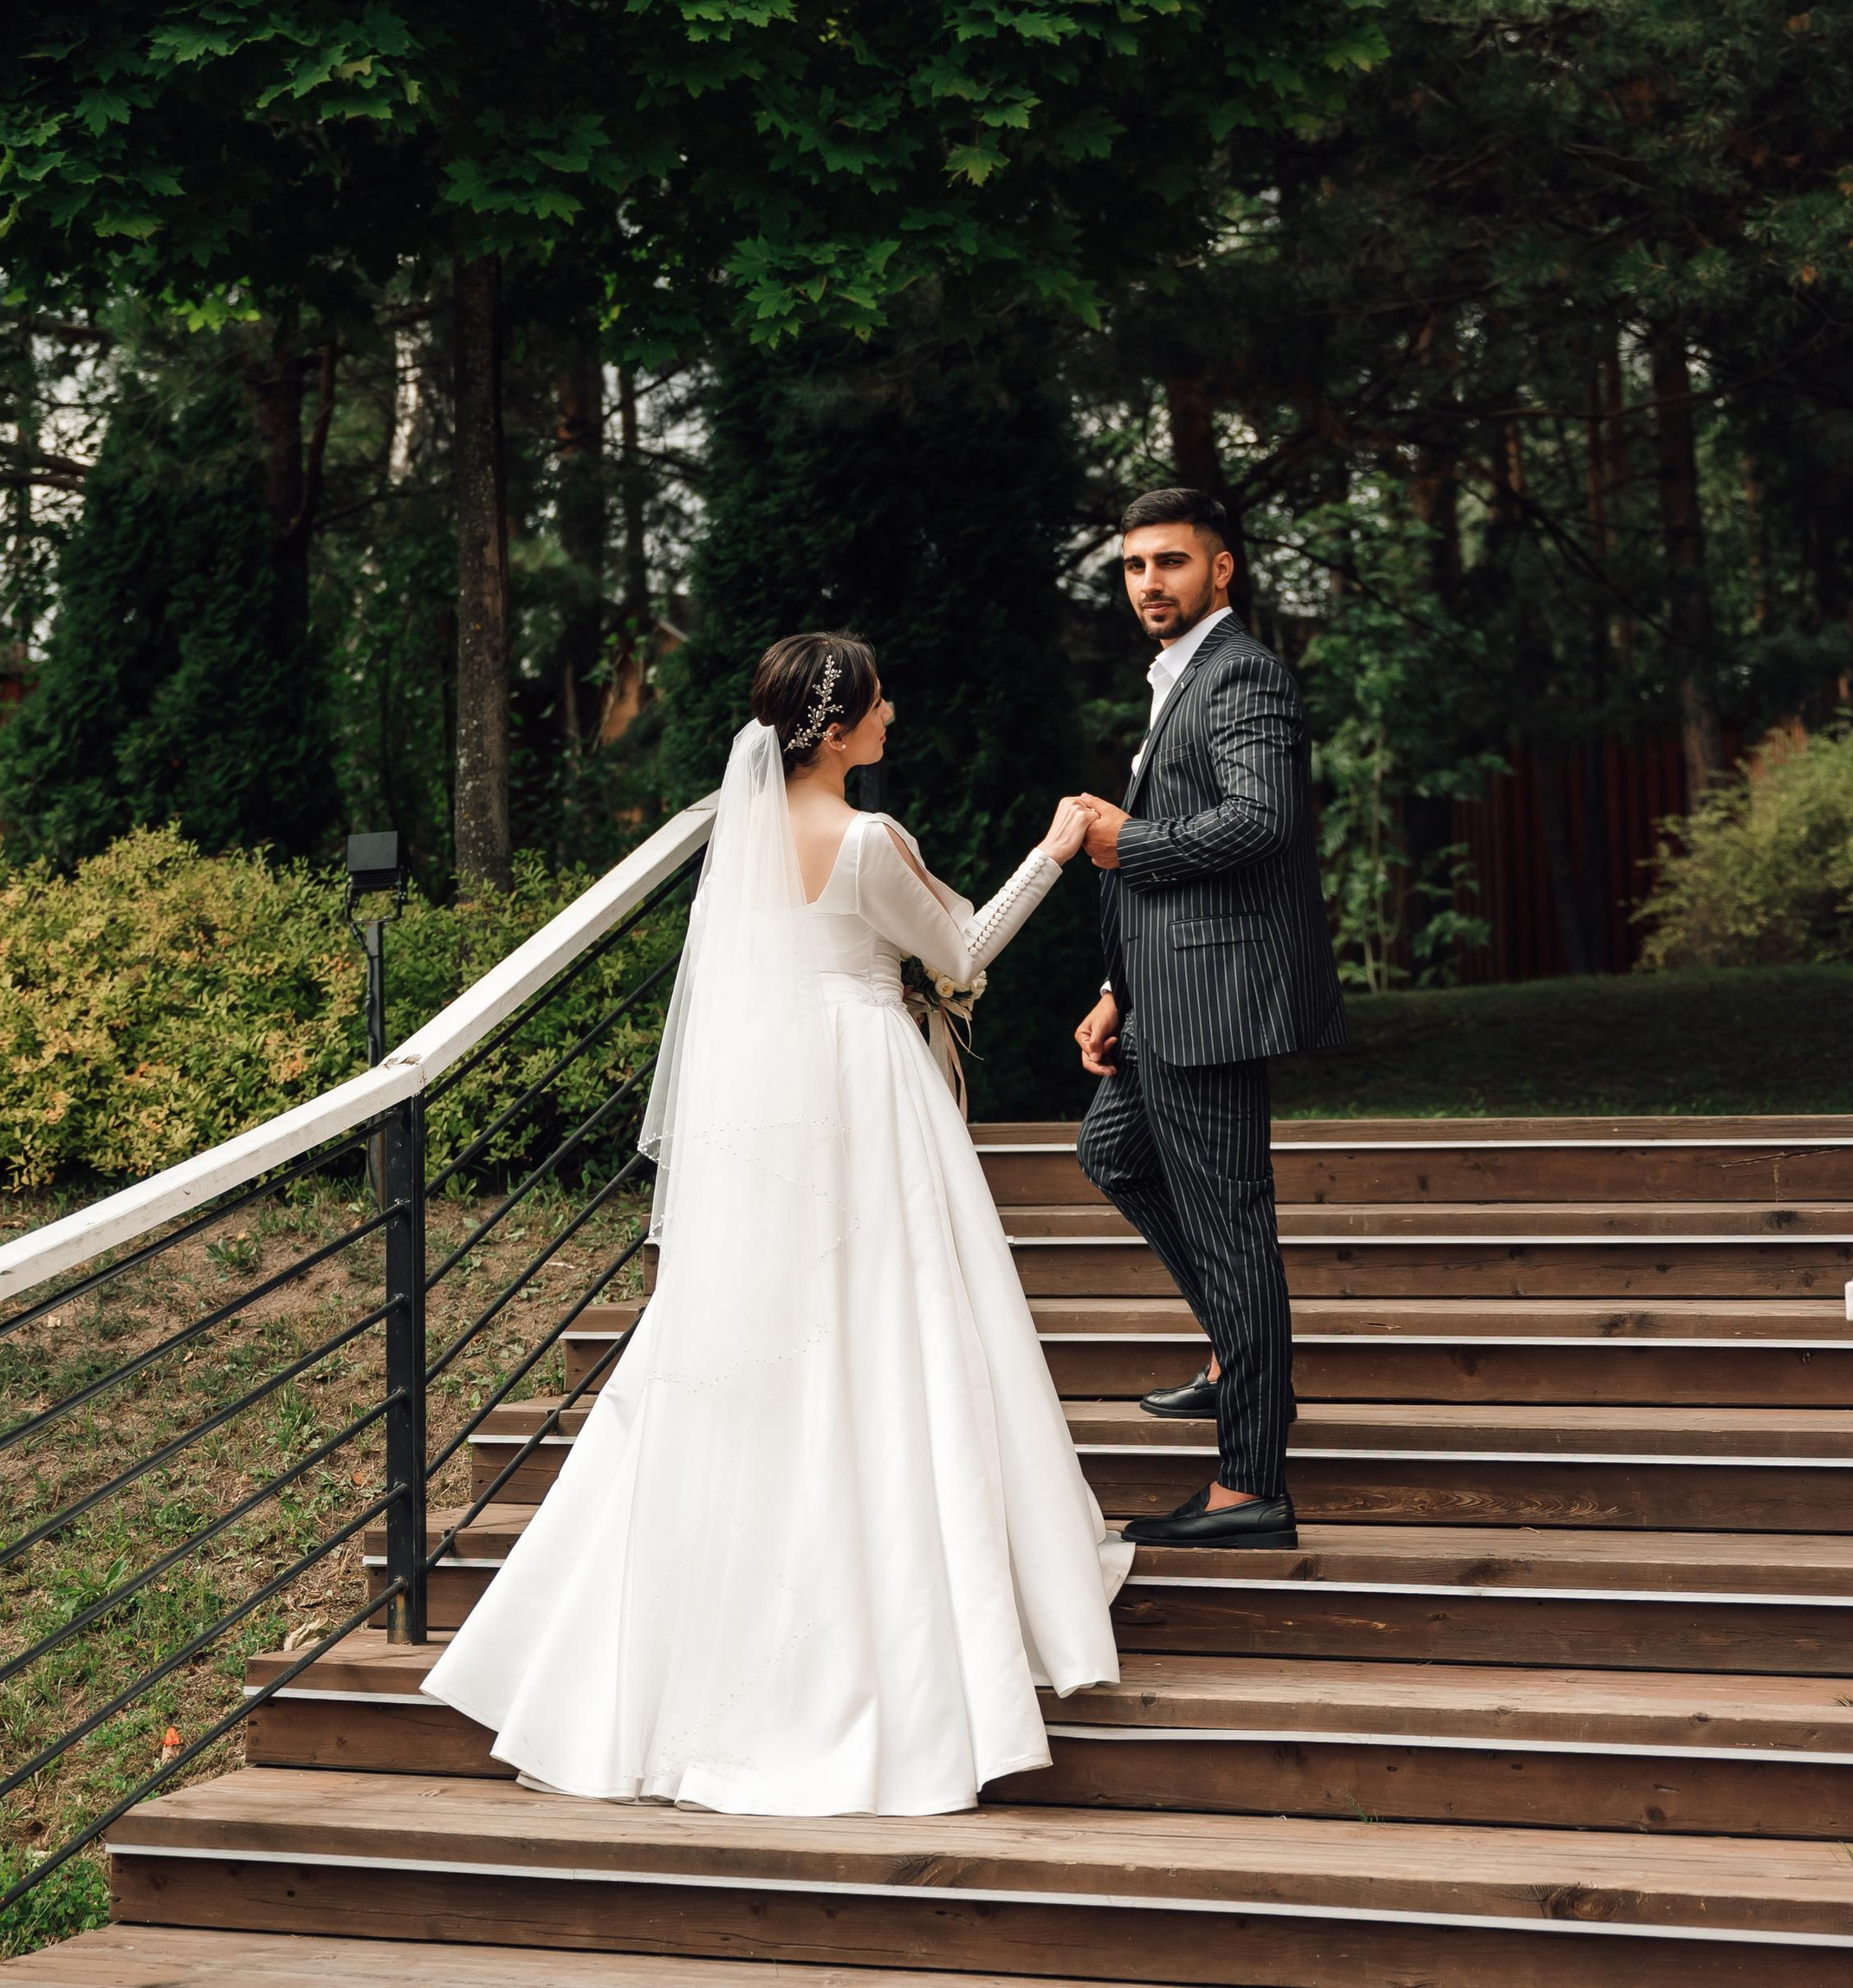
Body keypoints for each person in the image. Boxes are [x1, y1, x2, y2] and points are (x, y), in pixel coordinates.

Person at [422, 630, 1131, 1815]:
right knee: (895, 1334)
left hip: (774, 1119)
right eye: (880, 699)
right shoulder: (866, 838)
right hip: (867, 1094)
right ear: (840, 726)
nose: (894, 710)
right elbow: (959, 951)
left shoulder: (747, 842)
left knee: (782, 1353)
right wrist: (1054, 851)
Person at [1069, 489, 1347, 1550]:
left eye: (1171, 563)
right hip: (1164, 995)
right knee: (1111, 1153)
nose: (1150, 583)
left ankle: (1248, 1486)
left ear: (1221, 569)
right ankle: (1239, 1348)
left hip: (1216, 1004)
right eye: (1135, 565)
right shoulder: (1178, 679)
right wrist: (1116, 991)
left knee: (1235, 1233)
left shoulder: (1241, 674)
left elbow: (1258, 822)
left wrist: (1122, 841)